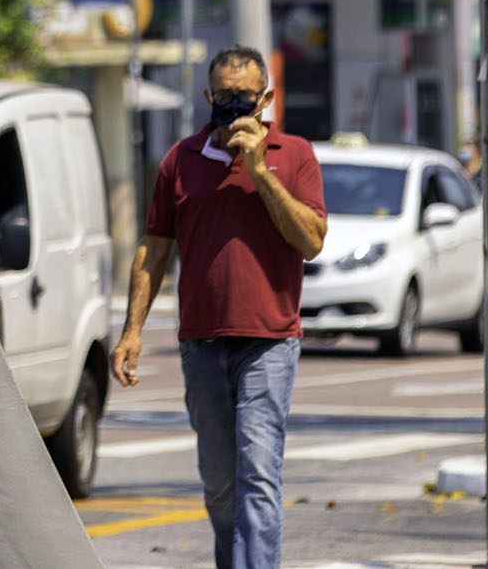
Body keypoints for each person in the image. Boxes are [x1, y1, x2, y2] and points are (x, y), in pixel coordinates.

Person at [111, 45, 327, 569]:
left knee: (257, 475)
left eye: (243, 97)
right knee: (220, 485)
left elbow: (312, 240)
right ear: (208, 96)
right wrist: (132, 330)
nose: (232, 105)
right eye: (223, 96)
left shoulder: (293, 154)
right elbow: (154, 246)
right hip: (201, 345)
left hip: (269, 342)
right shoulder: (180, 161)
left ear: (265, 98)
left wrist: (258, 168)